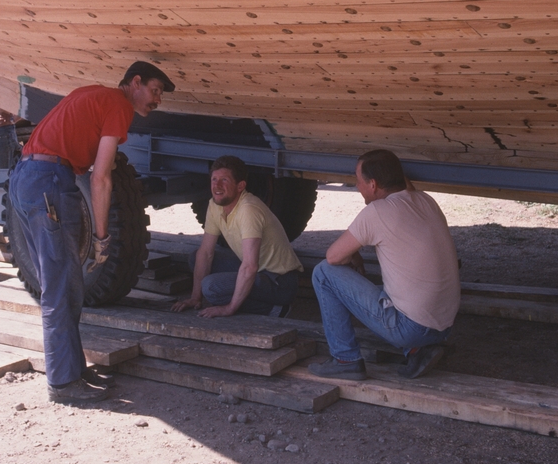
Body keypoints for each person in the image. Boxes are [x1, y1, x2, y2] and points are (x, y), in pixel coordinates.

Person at [9, 61, 175, 405]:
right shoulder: (117, 105)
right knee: (61, 287)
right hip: (50, 182)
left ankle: (70, 369)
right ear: (136, 83)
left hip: (27, 177)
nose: (157, 100)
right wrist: (101, 238)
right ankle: (63, 383)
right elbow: (100, 179)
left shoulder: (92, 95)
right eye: (155, 91)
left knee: (63, 284)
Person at [309, 149, 460, 381]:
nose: (357, 187)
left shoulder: (378, 211)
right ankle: (418, 350)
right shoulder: (426, 200)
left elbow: (332, 257)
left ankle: (344, 359)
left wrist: (351, 253)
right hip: (444, 327)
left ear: (373, 184)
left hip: (411, 328)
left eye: (358, 181)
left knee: (323, 273)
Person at [171, 155, 303, 318]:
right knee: (196, 257)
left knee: (211, 287)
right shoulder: (215, 204)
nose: (217, 185)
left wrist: (229, 308)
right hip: (259, 271)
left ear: (240, 186)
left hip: (280, 282)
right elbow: (206, 252)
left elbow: (250, 266)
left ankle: (275, 309)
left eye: (224, 180)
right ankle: (221, 298)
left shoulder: (248, 209)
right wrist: (195, 298)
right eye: (214, 179)